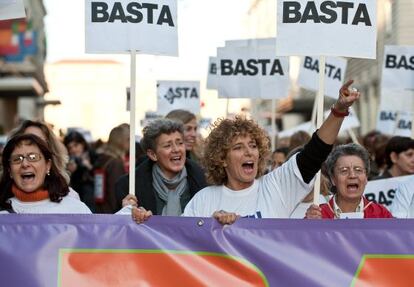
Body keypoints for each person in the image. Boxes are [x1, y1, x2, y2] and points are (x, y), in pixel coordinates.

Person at [178, 80, 361, 225]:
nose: (249, 152)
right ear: (222, 159)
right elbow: (180, 242)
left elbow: (315, 152)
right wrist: (211, 226)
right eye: (238, 147)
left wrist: (339, 111)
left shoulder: (276, 186)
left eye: (253, 145)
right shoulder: (203, 200)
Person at [117, 118, 207, 220]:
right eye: (168, 145)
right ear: (153, 154)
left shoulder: (203, 181)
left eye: (180, 143)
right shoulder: (129, 187)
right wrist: (126, 213)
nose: (176, 149)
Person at [0, 134, 91, 213]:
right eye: (17, 159)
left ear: (48, 165)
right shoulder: (2, 212)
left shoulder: (75, 210)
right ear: (9, 170)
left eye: (33, 157)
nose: (25, 164)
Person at [305, 143, 393, 219]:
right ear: (333, 179)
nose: (352, 175)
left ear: (366, 177)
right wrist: (310, 226)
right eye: (344, 170)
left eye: (358, 170)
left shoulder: (381, 214)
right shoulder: (317, 215)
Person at [93, 124, 129, 213]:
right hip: (111, 214)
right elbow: (115, 193)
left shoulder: (103, 158)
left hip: (101, 209)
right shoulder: (115, 163)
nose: (131, 143)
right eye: (128, 139)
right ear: (121, 141)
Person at [64, 131, 96, 212]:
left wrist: (89, 166)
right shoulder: (68, 160)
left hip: (93, 198)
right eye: (70, 147)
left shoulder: (92, 155)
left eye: (76, 145)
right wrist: (69, 172)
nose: (73, 150)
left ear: (82, 144)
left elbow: (99, 175)